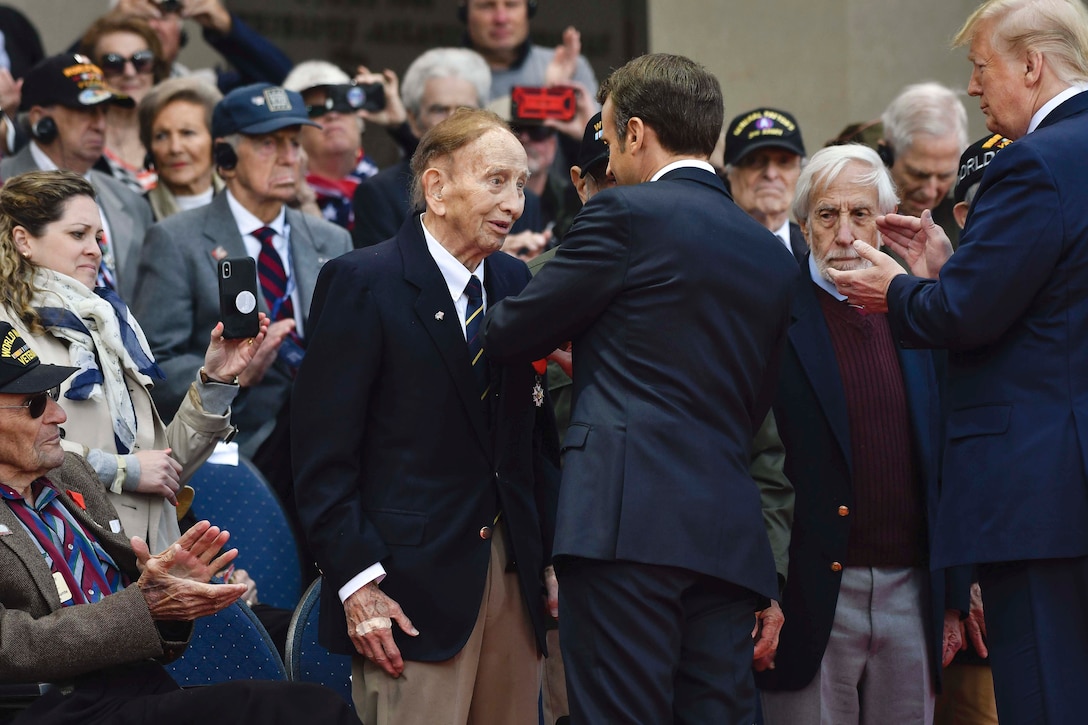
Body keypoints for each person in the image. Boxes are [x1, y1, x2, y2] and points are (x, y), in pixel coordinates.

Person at [483, 53, 798, 723]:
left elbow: (512, 330)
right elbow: (755, 396)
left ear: (633, 133)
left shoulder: (624, 213)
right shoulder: (769, 249)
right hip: (728, 533)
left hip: (625, 526)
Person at [827, 1, 1088, 721]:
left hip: (1040, 494)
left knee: (1047, 697)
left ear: (1032, 64)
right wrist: (954, 268)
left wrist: (899, 289)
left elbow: (964, 317)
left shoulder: (1034, 161)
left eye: (980, 67)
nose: (974, 88)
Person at [291, 107, 559, 725]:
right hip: (404, 590)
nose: (515, 203)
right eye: (496, 181)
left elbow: (532, 438)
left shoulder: (516, 280)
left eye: (520, 185)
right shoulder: (362, 280)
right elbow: (322, 453)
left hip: (513, 582)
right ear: (436, 188)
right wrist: (356, 583)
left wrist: (548, 557)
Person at [0, 321, 360, 725]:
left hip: (136, 684)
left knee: (309, 700)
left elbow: (141, 612)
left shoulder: (72, 475)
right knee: (299, 712)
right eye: (35, 404)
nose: (58, 414)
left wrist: (172, 598)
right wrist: (144, 605)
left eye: (51, 395)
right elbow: (8, 645)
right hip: (58, 706)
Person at [753, 144, 969, 724]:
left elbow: (948, 458)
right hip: (809, 595)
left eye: (860, 215)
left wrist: (952, 597)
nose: (845, 235)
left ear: (885, 221)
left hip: (912, 592)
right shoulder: (770, 317)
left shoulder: (917, 309)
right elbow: (753, 464)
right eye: (827, 216)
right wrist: (763, 591)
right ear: (803, 226)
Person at [0, 168, 266, 556]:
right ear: (23, 240)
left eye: (98, 237)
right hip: (75, 555)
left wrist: (215, 382)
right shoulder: (6, 328)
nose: (94, 249)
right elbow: (13, 452)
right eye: (78, 234)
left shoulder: (112, 322)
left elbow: (163, 468)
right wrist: (125, 471)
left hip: (153, 554)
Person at [131, 83, 352, 523]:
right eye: (268, 143)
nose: (289, 156)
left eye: (293, 142)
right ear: (226, 159)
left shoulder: (331, 238)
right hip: (235, 452)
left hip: (330, 454)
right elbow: (150, 366)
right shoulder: (177, 239)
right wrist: (230, 378)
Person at [931, 133, 1010, 725]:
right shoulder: (930, 309)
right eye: (1000, 198)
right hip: (972, 590)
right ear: (962, 215)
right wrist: (960, 589)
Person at [1, 53, 154, 303]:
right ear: (41, 119)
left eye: (104, 111)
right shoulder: (3, 186)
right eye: (86, 110)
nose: (100, 124)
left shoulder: (132, 202)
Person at [350, 48, 539, 249]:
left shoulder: (524, 201)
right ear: (413, 120)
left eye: (466, 111)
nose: (453, 120)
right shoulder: (380, 194)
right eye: (439, 110)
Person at [830, 82, 968, 246]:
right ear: (885, 155)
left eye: (945, 176)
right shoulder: (842, 217)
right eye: (918, 175)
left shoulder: (970, 218)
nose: (930, 192)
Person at [106, 0, 293, 93]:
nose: (153, 26)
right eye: (142, 17)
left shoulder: (201, 89)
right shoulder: (99, 84)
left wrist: (228, 26)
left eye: (163, 15)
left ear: (181, 36)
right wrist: (109, 23)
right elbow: (76, 76)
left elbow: (287, 83)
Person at [282, 60, 381, 231]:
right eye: (315, 110)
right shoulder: (279, 200)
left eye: (341, 104)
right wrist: (304, 203)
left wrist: (400, 127)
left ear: (360, 119)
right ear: (293, 133)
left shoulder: (394, 189)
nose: (332, 115)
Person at [78, 15, 168, 194]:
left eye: (141, 61)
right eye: (113, 63)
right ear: (94, 72)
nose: (129, 72)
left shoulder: (173, 132)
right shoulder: (80, 140)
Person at [459, 0, 597, 102]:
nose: (501, 18)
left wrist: (557, 95)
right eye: (487, 6)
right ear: (465, 13)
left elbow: (602, 135)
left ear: (529, 10)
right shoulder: (442, 74)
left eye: (511, 4)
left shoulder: (571, 67)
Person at [723, 107, 808, 260]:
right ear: (730, 173)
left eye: (784, 161)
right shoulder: (709, 248)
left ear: (800, 172)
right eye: (754, 161)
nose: (770, 174)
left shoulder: (815, 248)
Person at [138, 76, 223, 221]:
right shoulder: (134, 217)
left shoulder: (245, 206)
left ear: (216, 140)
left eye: (187, 133)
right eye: (161, 136)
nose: (175, 148)